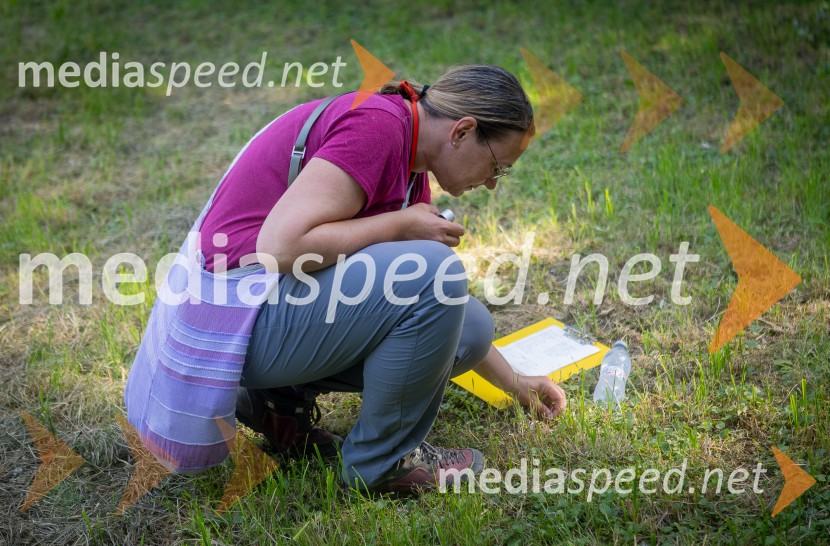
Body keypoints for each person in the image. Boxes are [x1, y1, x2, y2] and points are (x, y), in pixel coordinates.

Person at [125, 64, 567, 494]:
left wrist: (514, 383)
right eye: (497, 166)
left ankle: (278, 403)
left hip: (256, 310)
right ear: (462, 131)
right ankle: (382, 465)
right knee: (434, 271)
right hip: (225, 328)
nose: (492, 183)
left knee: (470, 326)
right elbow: (279, 247)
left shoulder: (411, 159)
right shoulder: (379, 128)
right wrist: (399, 227)